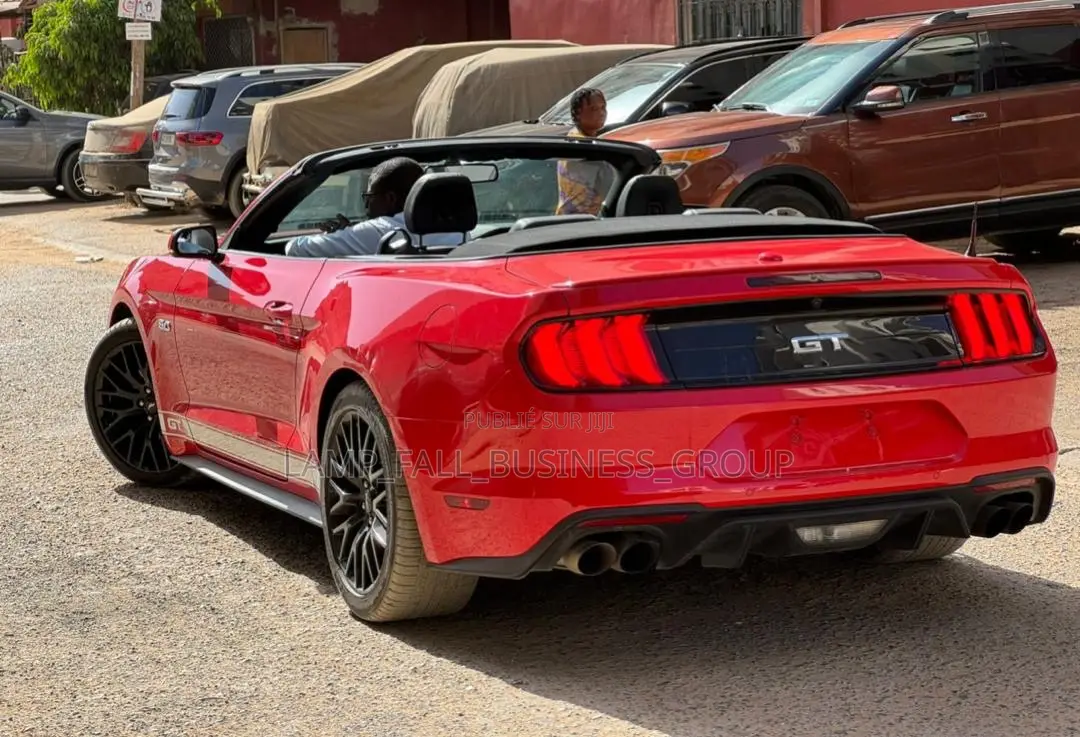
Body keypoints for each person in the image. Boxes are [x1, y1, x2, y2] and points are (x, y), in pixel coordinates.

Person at [285, 156, 464, 258]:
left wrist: (339, 235)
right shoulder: (459, 230)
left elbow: (294, 248)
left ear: (390, 198)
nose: (365, 205)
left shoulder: (381, 230)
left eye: (369, 197)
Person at [556, 87, 613, 216]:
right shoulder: (580, 144)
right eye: (593, 109)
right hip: (579, 220)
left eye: (603, 107)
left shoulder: (585, 139)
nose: (601, 112)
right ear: (577, 113)